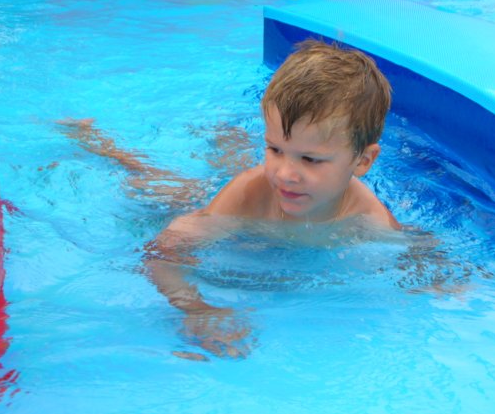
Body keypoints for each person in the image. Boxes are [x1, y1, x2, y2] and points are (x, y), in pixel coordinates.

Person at [59, 40, 401, 360]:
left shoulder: (368, 216)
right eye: (274, 149)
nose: (285, 173)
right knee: (155, 186)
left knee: (231, 163)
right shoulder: (248, 195)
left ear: (363, 161)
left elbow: (413, 263)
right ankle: (97, 142)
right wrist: (197, 309)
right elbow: (162, 254)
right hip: (218, 205)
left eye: (310, 159)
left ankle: (227, 140)